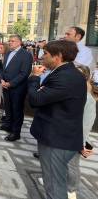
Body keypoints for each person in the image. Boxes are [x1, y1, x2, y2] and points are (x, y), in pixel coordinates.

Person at [28, 40, 86, 199]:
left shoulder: (65, 77)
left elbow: (36, 100)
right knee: (55, 182)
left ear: (58, 56)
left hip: (57, 140)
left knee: (54, 185)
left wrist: (34, 78)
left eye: (45, 54)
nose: (41, 57)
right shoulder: (68, 73)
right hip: (60, 137)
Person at [0, 34, 33, 142]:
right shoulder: (8, 53)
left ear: (19, 42)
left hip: (18, 88)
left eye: (13, 41)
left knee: (17, 110)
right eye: (9, 41)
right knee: (8, 107)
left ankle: (16, 132)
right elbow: (3, 69)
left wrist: (11, 83)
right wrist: (1, 79)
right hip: (5, 86)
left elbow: (24, 73)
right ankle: (7, 125)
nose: (10, 43)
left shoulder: (26, 55)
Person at [67, 65, 97, 199]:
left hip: (74, 139)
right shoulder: (71, 92)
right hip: (63, 136)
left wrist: (80, 143)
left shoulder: (87, 99)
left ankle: (71, 191)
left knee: (71, 165)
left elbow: (86, 124)